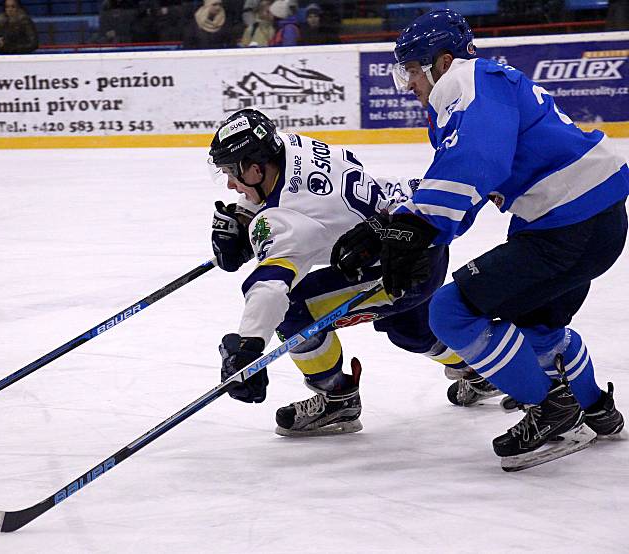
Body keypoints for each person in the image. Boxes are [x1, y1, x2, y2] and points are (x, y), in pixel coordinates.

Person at [333, 9, 628, 469]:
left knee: (449, 312)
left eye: (412, 69)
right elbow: (465, 180)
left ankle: (554, 410)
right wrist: (398, 225)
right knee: (536, 327)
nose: (408, 83)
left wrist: (419, 229)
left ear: (443, 61)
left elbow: (475, 164)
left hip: (567, 225)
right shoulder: (488, 86)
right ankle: (596, 409)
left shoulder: (466, 80)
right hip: (593, 221)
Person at [209, 109, 472, 436]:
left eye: (233, 173)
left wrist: (248, 346)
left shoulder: (280, 220)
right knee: (410, 330)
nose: (232, 185)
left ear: (256, 167)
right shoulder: (294, 146)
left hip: (396, 271)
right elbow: (301, 200)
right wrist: (246, 216)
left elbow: (271, 285)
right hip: (416, 235)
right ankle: (477, 368)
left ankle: (337, 398)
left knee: (292, 309)